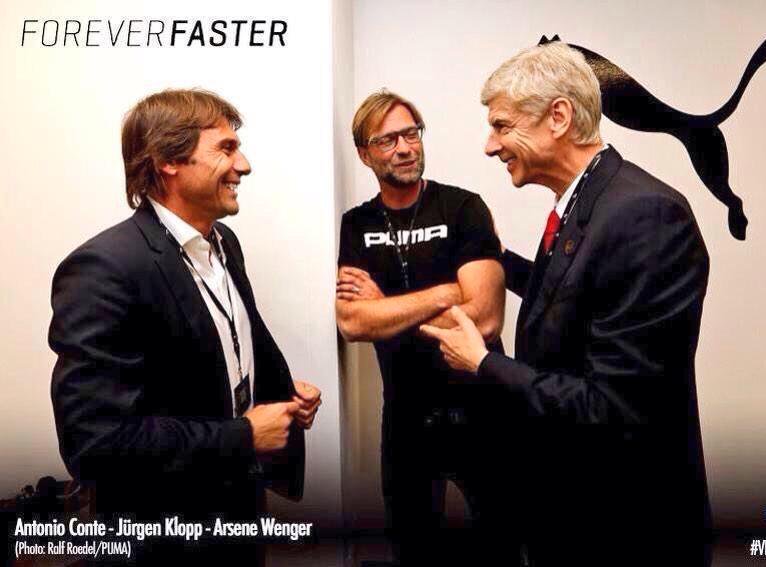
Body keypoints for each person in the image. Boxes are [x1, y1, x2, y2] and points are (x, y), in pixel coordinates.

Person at [421, 42, 712, 565]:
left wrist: (482, 362)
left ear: (558, 117)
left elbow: (613, 408)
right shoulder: (588, 201)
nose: (490, 146)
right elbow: (571, 293)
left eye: (502, 126)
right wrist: (492, 255)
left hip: (626, 532)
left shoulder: (646, 215)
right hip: (579, 517)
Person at [49, 89, 321, 565]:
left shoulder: (224, 242)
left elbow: (211, 353)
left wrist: (275, 393)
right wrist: (244, 436)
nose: (244, 165)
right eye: (226, 149)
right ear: (167, 161)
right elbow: (94, 442)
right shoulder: (103, 269)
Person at [336, 90, 507, 566]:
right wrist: (447, 293)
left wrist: (386, 309)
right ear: (365, 153)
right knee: (412, 551)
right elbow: (352, 321)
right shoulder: (356, 225)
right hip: (407, 419)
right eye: (388, 140)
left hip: (485, 409)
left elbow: (485, 317)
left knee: (504, 545)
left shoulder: (463, 208)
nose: (405, 148)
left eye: (411, 134)